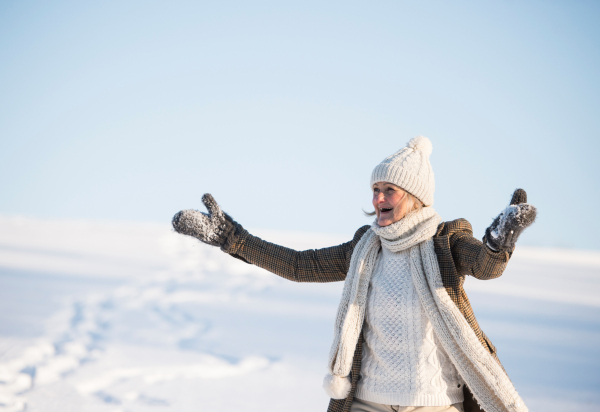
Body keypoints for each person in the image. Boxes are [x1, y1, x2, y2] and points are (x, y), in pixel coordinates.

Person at [172, 136, 536, 412]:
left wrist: (498, 239)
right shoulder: (366, 249)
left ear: (415, 197)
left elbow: (486, 265)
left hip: (434, 404)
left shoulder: (446, 242)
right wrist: (231, 237)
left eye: (388, 190)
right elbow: (299, 266)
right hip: (367, 403)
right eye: (375, 189)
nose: (378, 198)